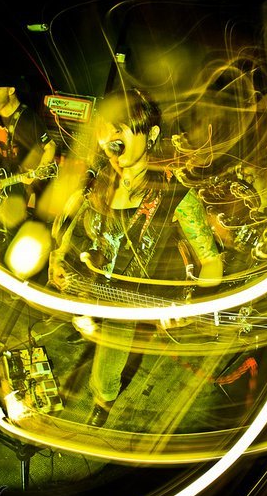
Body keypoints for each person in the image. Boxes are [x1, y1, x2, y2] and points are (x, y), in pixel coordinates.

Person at [48, 88, 223, 427]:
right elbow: (74, 226)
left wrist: (192, 307)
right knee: (85, 325)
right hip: (90, 283)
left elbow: (211, 262)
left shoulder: (175, 196)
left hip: (128, 298)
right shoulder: (99, 181)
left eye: (121, 129)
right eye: (105, 131)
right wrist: (59, 258)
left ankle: (102, 401)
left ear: (151, 135)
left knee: (109, 360)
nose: (111, 140)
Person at [0, 76, 57, 235]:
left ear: (11, 90)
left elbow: (50, 146)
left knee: (25, 230)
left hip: (24, 183)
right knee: (6, 228)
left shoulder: (28, 118)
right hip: (6, 181)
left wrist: (38, 171)